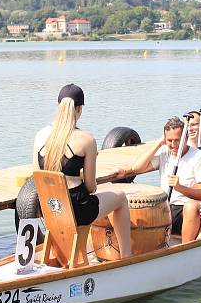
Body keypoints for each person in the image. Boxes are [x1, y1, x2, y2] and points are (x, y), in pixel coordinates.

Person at [33, 84, 133, 257]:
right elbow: (91, 186)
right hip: (77, 209)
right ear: (80, 109)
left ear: (58, 106)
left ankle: (72, 252)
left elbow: (37, 175)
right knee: (121, 198)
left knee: (94, 200)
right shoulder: (86, 140)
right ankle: (126, 256)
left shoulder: (40, 135)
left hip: (49, 208)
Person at [121, 117, 201, 244]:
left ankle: (185, 248)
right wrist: (158, 144)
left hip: (188, 211)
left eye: (177, 141)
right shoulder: (164, 152)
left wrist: (180, 187)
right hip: (165, 207)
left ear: (186, 138)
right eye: (169, 140)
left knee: (191, 206)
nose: (174, 145)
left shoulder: (200, 157)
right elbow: (137, 168)